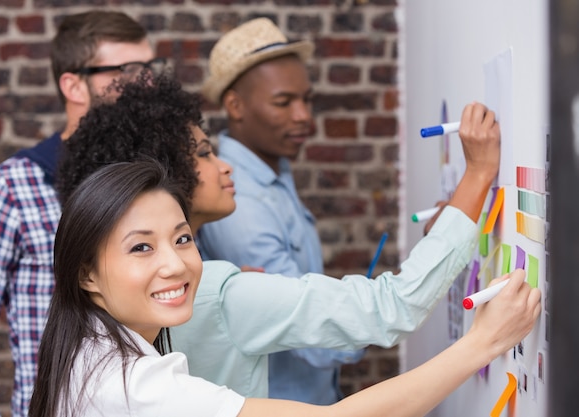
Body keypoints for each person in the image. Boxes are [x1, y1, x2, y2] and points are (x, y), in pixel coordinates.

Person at [56, 72, 506, 399]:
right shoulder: (218, 296)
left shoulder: (94, 337)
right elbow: (391, 308)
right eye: (207, 153)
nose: (226, 165)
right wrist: (480, 173)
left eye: (181, 241)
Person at [29, 157, 540, 417]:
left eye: (182, 239)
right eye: (142, 247)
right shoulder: (131, 385)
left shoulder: (91, 344)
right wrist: (484, 343)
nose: (175, 264)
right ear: (86, 274)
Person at [197, 17, 503, 404]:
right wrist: (476, 175)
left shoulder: (272, 173)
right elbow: (322, 339)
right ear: (235, 106)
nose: (303, 116)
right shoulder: (239, 203)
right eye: (283, 102)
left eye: (306, 100)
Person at [0, 10, 164, 416]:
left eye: (151, 68)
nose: (148, 83)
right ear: (73, 84)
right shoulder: (9, 188)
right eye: (129, 70)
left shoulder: (156, 180)